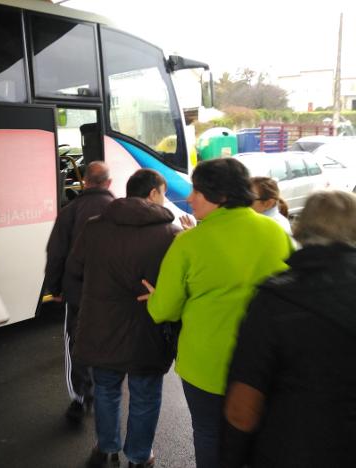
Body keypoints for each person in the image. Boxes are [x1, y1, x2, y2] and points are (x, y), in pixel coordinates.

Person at [141, 158, 293, 468]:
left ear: (222, 196)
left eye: (199, 191)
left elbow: (163, 310)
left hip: (205, 365)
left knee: (209, 434)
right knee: (257, 434)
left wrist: (156, 298)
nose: (189, 197)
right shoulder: (276, 233)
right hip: (265, 362)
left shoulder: (189, 243)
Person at [222, 191, 356, 468]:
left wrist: (231, 458)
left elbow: (243, 407)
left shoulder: (275, 298)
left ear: (300, 229)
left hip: (291, 449)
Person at [68, 169, 180, 468]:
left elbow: (76, 268)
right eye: (163, 192)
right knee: (145, 394)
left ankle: (106, 449)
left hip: (101, 326)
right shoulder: (170, 233)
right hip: (149, 328)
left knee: (106, 389)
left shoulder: (95, 227)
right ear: (154, 193)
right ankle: (139, 456)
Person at [43, 161, 115, 423]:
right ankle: (107, 392)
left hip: (77, 293)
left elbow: (56, 252)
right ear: (109, 183)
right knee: (109, 341)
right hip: (112, 295)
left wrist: (55, 287)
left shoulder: (70, 210)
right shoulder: (119, 209)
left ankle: (81, 397)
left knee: (77, 343)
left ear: (85, 182)